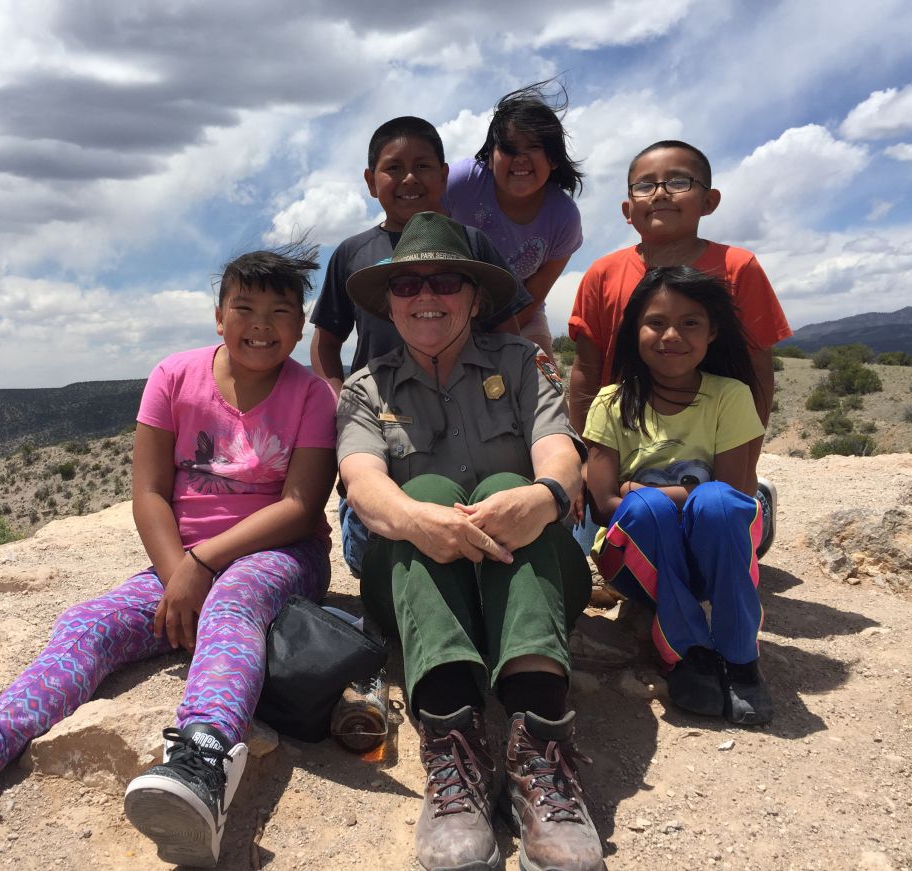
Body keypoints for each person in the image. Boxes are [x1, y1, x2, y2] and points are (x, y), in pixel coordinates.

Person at [0, 245, 337, 868]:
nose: (261, 324)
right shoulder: (175, 377)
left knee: (232, 602)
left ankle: (204, 761)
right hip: (181, 560)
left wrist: (201, 569)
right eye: (245, 307)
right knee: (89, 623)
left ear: (300, 324)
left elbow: (302, 507)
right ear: (217, 316)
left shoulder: (311, 396)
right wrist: (178, 571)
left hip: (280, 554)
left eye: (280, 311)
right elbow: (148, 491)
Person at [337, 212, 603, 871]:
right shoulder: (366, 389)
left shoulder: (522, 364)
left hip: (531, 584)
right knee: (419, 496)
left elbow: (561, 457)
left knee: (518, 484)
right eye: (407, 284)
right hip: (425, 590)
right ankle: (452, 746)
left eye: (445, 279)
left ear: (475, 296)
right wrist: (413, 519)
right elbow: (362, 481)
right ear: (390, 302)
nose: (425, 295)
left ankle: (539, 756)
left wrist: (542, 497)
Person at [309, 115, 533, 577]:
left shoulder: (473, 245)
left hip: (474, 418)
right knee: (389, 523)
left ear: (445, 175)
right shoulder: (352, 254)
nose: (410, 178)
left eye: (423, 166)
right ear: (371, 181)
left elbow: (509, 330)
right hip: (387, 424)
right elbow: (326, 341)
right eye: (394, 168)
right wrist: (342, 405)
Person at [568, 139, 791, 556]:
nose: (660, 192)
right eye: (644, 185)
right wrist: (585, 457)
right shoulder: (602, 274)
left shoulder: (737, 268)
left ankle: (753, 499)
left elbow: (757, 368)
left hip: (708, 444)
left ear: (709, 201)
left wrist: (746, 461)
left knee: (715, 530)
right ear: (626, 208)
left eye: (678, 181)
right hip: (626, 451)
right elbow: (586, 368)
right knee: (589, 540)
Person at [584, 266, 772, 725]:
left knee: (718, 503)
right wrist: (677, 492)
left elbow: (735, 494)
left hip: (710, 556)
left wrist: (641, 488)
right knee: (646, 508)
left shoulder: (730, 396)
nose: (672, 335)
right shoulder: (611, 403)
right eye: (656, 322)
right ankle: (688, 653)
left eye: (690, 322)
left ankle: (740, 659)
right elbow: (604, 502)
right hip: (635, 562)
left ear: (712, 334)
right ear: (635, 331)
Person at [444, 81, 585, 361]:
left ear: (554, 159)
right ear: (491, 155)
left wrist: (488, 337)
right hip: (447, 302)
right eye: (509, 148)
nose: (520, 158)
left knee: (544, 384)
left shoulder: (564, 218)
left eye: (534, 147)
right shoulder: (461, 183)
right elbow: (418, 232)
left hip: (520, 311)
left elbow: (533, 295)